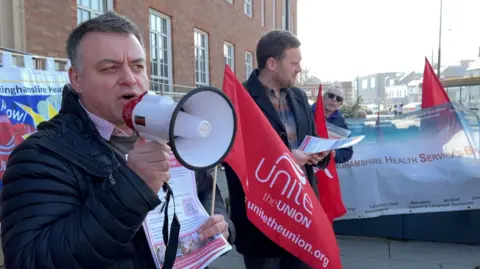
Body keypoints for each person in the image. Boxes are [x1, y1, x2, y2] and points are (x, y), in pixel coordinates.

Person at [0, 11, 234, 269]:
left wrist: (221, 222)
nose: (129, 79)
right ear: (76, 79)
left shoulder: (167, 130)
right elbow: (31, 260)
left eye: (138, 66)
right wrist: (131, 187)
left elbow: (204, 189)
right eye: (110, 68)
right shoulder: (39, 156)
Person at [223, 29, 330, 269]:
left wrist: (321, 154)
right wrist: (285, 160)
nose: (300, 68)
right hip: (262, 219)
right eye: (295, 62)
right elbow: (231, 157)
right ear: (272, 63)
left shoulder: (300, 96)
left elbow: (310, 138)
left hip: (301, 213)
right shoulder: (238, 98)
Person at [312, 85, 354, 164]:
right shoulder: (307, 113)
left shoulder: (341, 122)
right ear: (323, 97)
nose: (334, 100)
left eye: (338, 99)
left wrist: (335, 154)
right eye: (331, 96)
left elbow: (347, 152)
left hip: (327, 169)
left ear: (340, 104)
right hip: (305, 166)